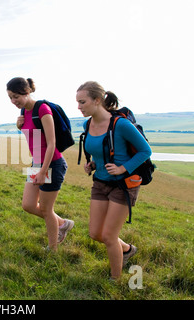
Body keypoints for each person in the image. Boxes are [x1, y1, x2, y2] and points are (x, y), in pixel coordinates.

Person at [76, 81, 152, 280]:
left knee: (109, 236)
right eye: (77, 102)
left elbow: (145, 151)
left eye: (82, 102)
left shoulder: (121, 125)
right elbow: (99, 150)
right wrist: (92, 164)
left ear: (97, 100)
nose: (79, 107)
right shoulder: (87, 124)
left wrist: (122, 167)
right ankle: (126, 250)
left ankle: (115, 279)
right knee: (95, 233)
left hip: (123, 184)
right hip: (100, 183)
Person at [7, 77, 74, 252]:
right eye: (10, 98)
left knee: (46, 209)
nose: (14, 101)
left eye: (16, 97)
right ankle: (63, 224)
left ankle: (52, 248)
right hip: (36, 163)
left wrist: (43, 171)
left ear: (27, 92)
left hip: (52, 164)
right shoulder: (24, 111)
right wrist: (18, 126)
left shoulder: (42, 109)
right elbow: (33, 135)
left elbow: (51, 143)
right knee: (28, 205)